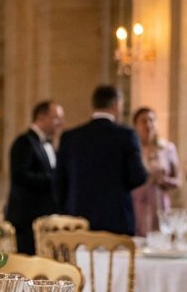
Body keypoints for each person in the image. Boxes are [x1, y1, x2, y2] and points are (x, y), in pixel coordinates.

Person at [55, 85, 148, 236]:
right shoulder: (126, 135)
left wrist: (65, 212)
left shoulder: (70, 137)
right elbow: (137, 177)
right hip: (116, 219)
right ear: (116, 105)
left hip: (77, 220)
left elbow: (59, 182)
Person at [5, 100, 64, 254]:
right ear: (41, 117)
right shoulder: (24, 142)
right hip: (27, 218)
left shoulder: (48, 144)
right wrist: (53, 180)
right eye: (56, 118)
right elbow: (20, 175)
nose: (60, 123)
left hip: (44, 217)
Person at [131, 107, 180, 236]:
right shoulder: (132, 149)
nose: (148, 125)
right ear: (136, 125)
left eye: (151, 120)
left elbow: (178, 180)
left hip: (159, 202)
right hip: (137, 204)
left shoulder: (167, 148)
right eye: (143, 121)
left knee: (160, 238)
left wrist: (163, 181)